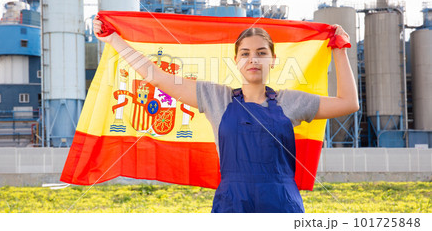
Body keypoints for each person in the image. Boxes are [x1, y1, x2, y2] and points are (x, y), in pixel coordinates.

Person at [93, 16, 359, 213]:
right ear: (236, 61)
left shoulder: (292, 101)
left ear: (273, 60)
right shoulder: (216, 98)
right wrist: (113, 39)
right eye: (245, 53)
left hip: (282, 206)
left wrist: (339, 49)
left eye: (261, 53)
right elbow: (159, 77)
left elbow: (348, 103)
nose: (253, 59)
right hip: (232, 205)